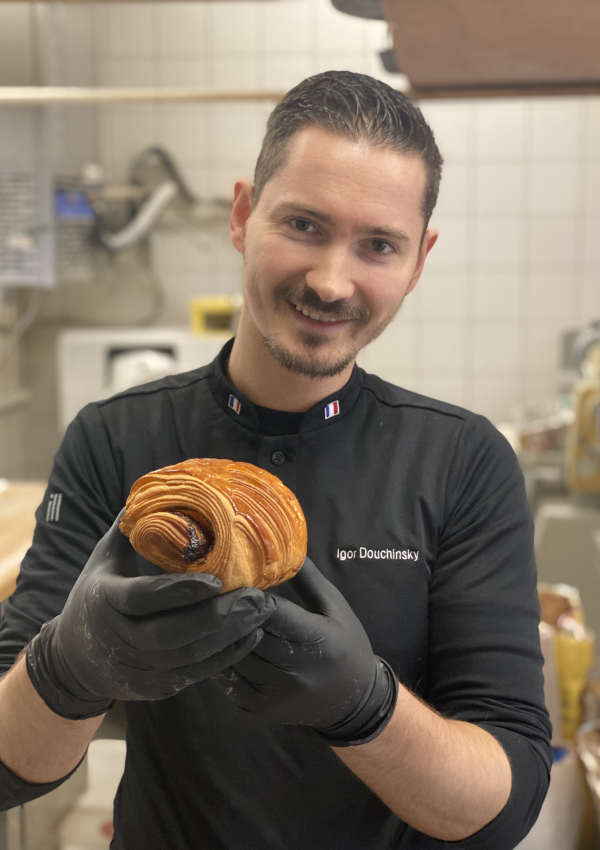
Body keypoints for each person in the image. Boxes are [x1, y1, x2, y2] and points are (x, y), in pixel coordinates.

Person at [0, 71, 551, 849]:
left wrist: (368, 709)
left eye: (378, 246)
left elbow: (506, 803)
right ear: (243, 214)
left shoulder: (462, 463)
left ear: (418, 262)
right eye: (302, 225)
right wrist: (69, 668)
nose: (331, 280)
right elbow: (7, 769)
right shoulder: (114, 440)